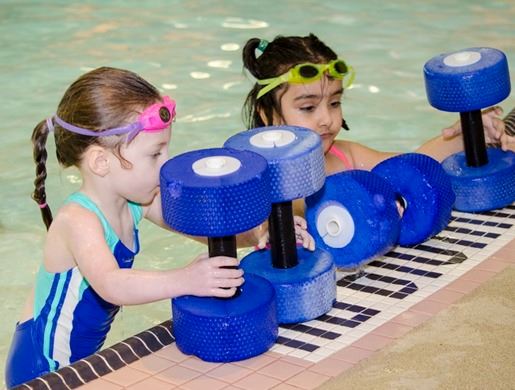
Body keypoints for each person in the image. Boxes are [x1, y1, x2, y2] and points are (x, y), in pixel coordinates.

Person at [4, 67, 313, 388]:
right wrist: (185, 279)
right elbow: (112, 284)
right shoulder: (77, 220)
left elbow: (201, 227)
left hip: (80, 360)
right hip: (42, 368)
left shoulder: (139, 201)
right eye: (154, 154)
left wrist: (261, 234)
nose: (166, 164)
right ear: (100, 162)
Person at [241, 34, 514, 181]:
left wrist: (473, 133)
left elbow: (412, 165)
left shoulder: (346, 156)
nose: (326, 119)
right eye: (308, 108)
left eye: (335, 103)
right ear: (270, 116)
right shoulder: (261, 179)